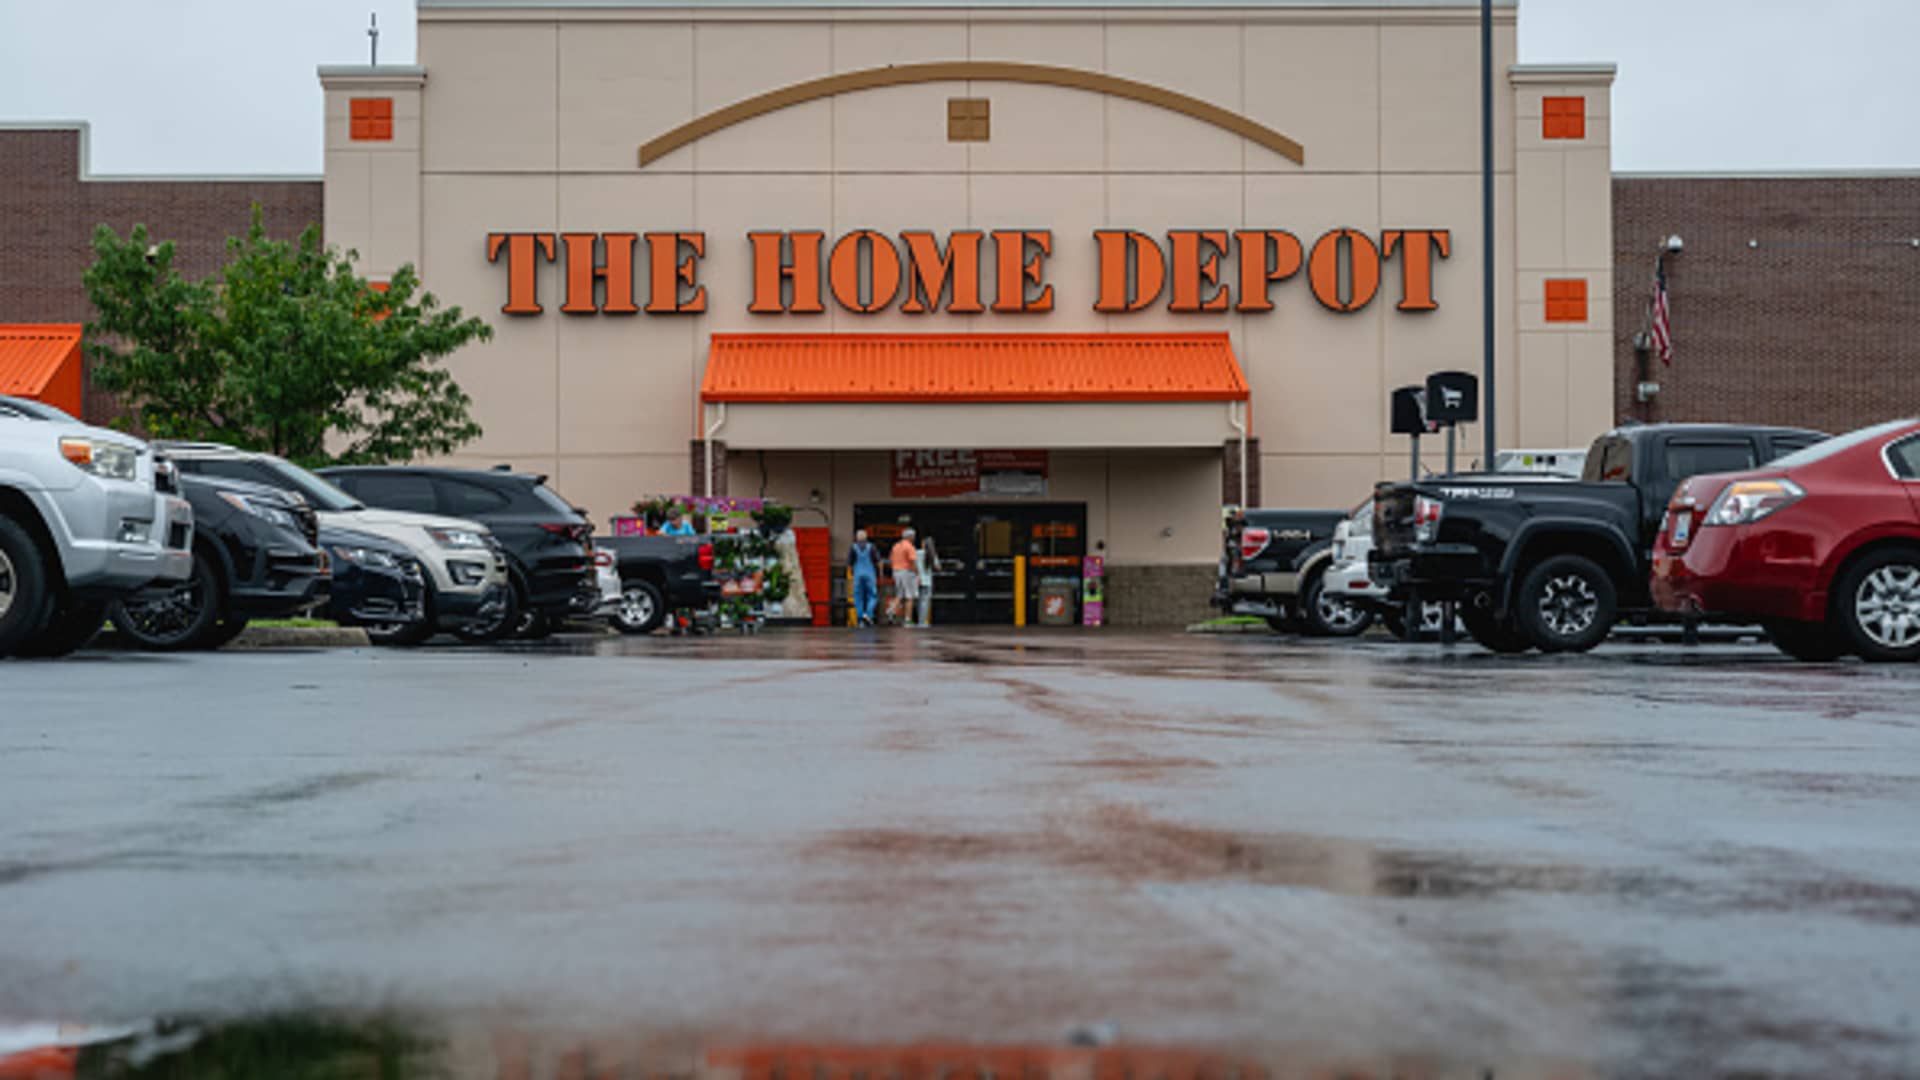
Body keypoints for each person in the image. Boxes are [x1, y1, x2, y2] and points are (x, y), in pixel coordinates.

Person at [848, 529, 879, 627]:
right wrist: (880, 573)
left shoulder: (853, 547)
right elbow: (877, 561)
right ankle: (869, 614)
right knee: (872, 595)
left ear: (856, 538)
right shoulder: (871, 547)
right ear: (866, 537)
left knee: (858, 597)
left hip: (857, 575)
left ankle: (860, 618)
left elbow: (850, 564)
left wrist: (852, 574)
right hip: (870, 574)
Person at [890, 528, 920, 628]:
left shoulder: (896, 546)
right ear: (911, 537)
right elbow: (912, 562)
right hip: (907, 572)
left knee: (900, 594)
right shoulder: (910, 547)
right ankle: (908, 620)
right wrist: (917, 574)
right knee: (909, 596)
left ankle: (891, 610)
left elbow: (891, 559)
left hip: (896, 572)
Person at [916, 534, 938, 627]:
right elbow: (938, 567)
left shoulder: (917, 553)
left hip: (918, 580)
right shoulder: (932, 555)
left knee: (918, 601)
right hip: (927, 581)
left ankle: (918, 620)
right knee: (925, 602)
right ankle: (922, 622)